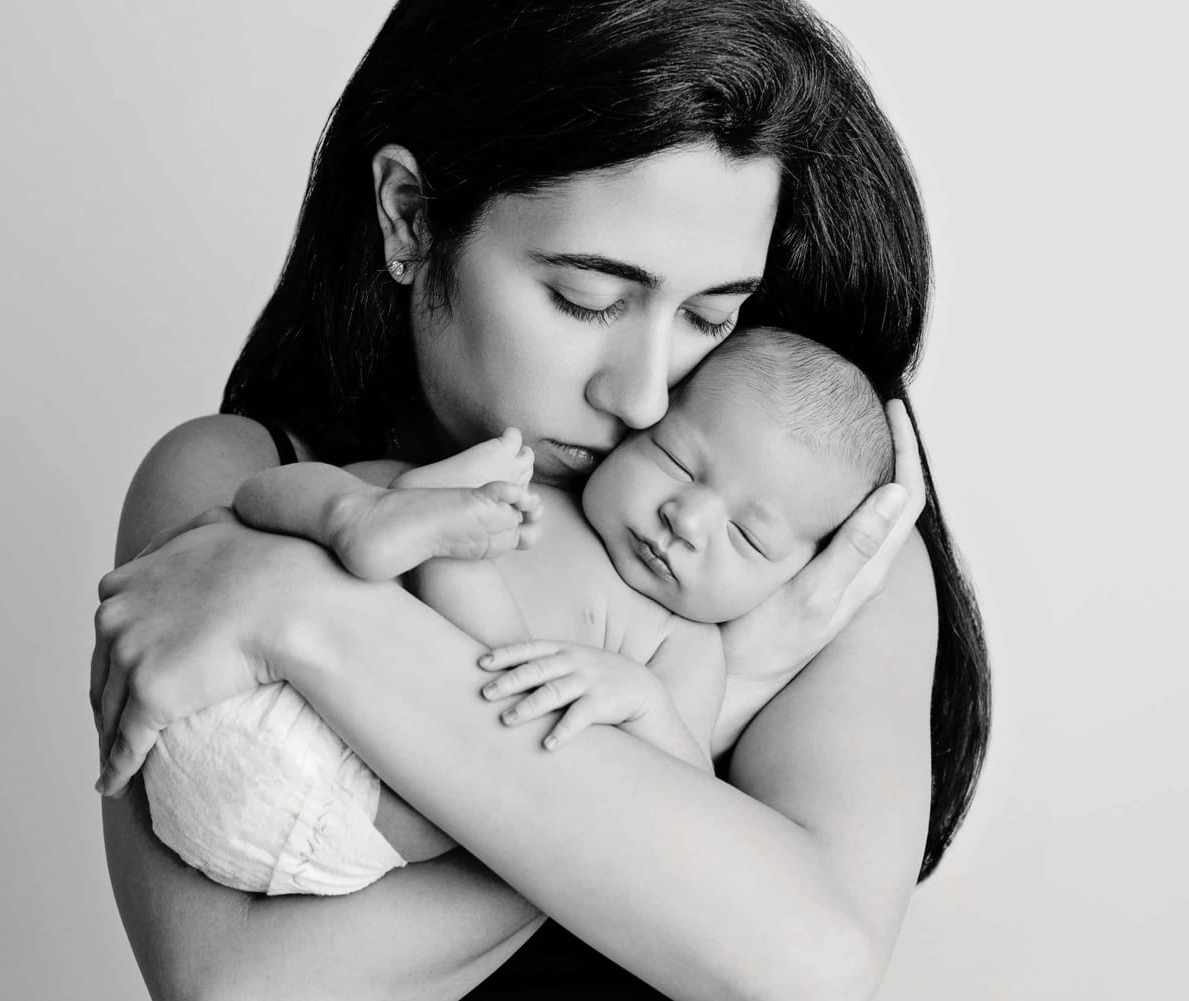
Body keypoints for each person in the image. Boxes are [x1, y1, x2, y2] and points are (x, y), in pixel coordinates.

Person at [90, 1, 991, 998]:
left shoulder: (803, 532)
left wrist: (306, 614)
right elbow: (240, 984)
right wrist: (706, 706)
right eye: (587, 298)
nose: (644, 394)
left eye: (708, 314)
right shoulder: (229, 471)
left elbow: (808, 964)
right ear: (410, 216)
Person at [143, 327, 899, 899]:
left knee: (487, 668)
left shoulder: (683, 647)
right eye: (676, 461)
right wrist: (369, 504)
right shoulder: (533, 483)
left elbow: (679, 802)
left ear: (791, 575)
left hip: (347, 806)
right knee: (341, 497)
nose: (687, 518)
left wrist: (639, 701)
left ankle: (392, 534)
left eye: (745, 534)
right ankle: (358, 520)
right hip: (229, 700)